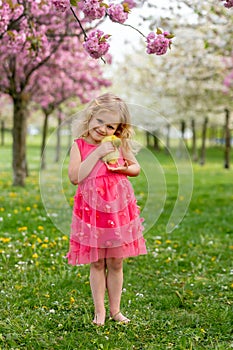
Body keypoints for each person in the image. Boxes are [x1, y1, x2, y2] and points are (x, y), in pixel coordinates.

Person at [66, 92, 147, 326]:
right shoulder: (79, 145)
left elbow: (136, 168)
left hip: (116, 209)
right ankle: (99, 312)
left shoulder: (117, 144)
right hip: (92, 211)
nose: (103, 129)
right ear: (90, 117)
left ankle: (115, 310)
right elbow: (75, 177)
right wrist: (98, 154)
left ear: (118, 129)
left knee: (116, 262)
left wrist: (122, 168)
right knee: (97, 262)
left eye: (110, 125)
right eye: (99, 121)